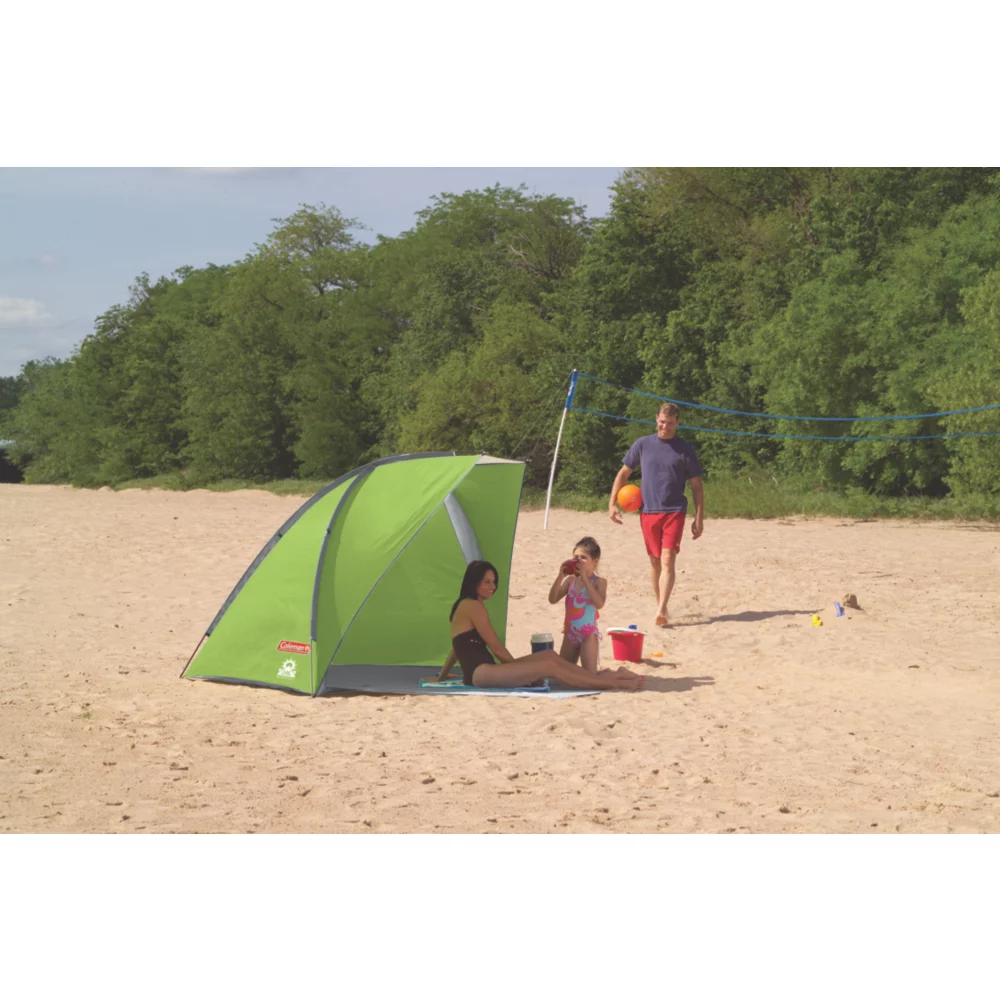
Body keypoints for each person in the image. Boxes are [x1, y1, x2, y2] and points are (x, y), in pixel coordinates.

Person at [436, 560, 644, 691]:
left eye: (494, 581)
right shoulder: (473, 606)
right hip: (481, 673)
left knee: (549, 656)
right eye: (487, 582)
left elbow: (456, 646)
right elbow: (496, 648)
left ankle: (605, 677)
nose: (493, 587)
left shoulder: (466, 605)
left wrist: (441, 676)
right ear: (474, 582)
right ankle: (613, 683)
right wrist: (522, 674)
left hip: (484, 670)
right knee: (548, 666)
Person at [608, 402, 704, 628]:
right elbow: (623, 474)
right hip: (648, 511)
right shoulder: (642, 445)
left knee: (668, 558)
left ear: (677, 423)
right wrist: (612, 503)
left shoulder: (685, 449)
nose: (665, 427)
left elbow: (696, 485)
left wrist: (699, 517)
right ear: (656, 419)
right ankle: (661, 603)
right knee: (655, 561)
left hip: (674, 511)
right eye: (662, 422)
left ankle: (661, 609)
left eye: (670, 423)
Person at [547, 536, 605, 673]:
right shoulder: (570, 580)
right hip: (570, 634)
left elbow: (599, 603)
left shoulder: (598, 582)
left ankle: (619, 674)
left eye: (583, 557)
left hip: (588, 635)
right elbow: (552, 599)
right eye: (575, 557)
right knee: (563, 674)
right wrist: (560, 576)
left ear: (595, 561)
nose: (578, 560)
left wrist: (585, 580)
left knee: (590, 676)